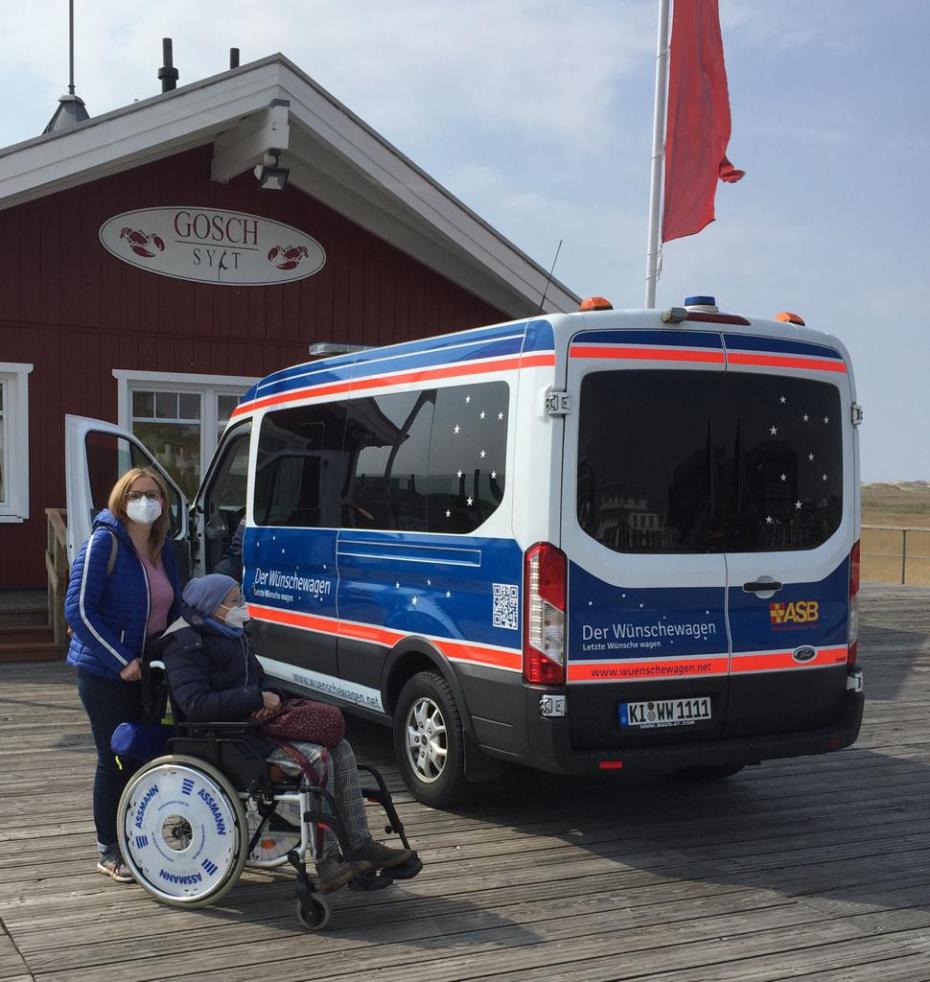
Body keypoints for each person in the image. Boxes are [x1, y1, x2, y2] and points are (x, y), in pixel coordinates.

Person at [156, 574, 413, 893]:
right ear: (213, 606)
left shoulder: (231, 632)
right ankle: (328, 859)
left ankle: (359, 843)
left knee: (341, 748)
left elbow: (260, 679)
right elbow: (196, 704)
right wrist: (254, 699)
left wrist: (270, 698)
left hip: (253, 725)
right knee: (317, 759)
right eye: (234, 601)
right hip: (222, 738)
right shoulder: (183, 643)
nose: (241, 606)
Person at [65, 467, 183, 883]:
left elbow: (175, 606)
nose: (145, 501)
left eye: (153, 494)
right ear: (121, 498)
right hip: (105, 671)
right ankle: (108, 848)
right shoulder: (104, 542)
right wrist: (120, 659)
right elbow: (78, 610)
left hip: (150, 670)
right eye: (136, 494)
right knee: (113, 757)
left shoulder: (161, 546)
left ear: (164, 504)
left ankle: (136, 834)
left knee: (142, 753)